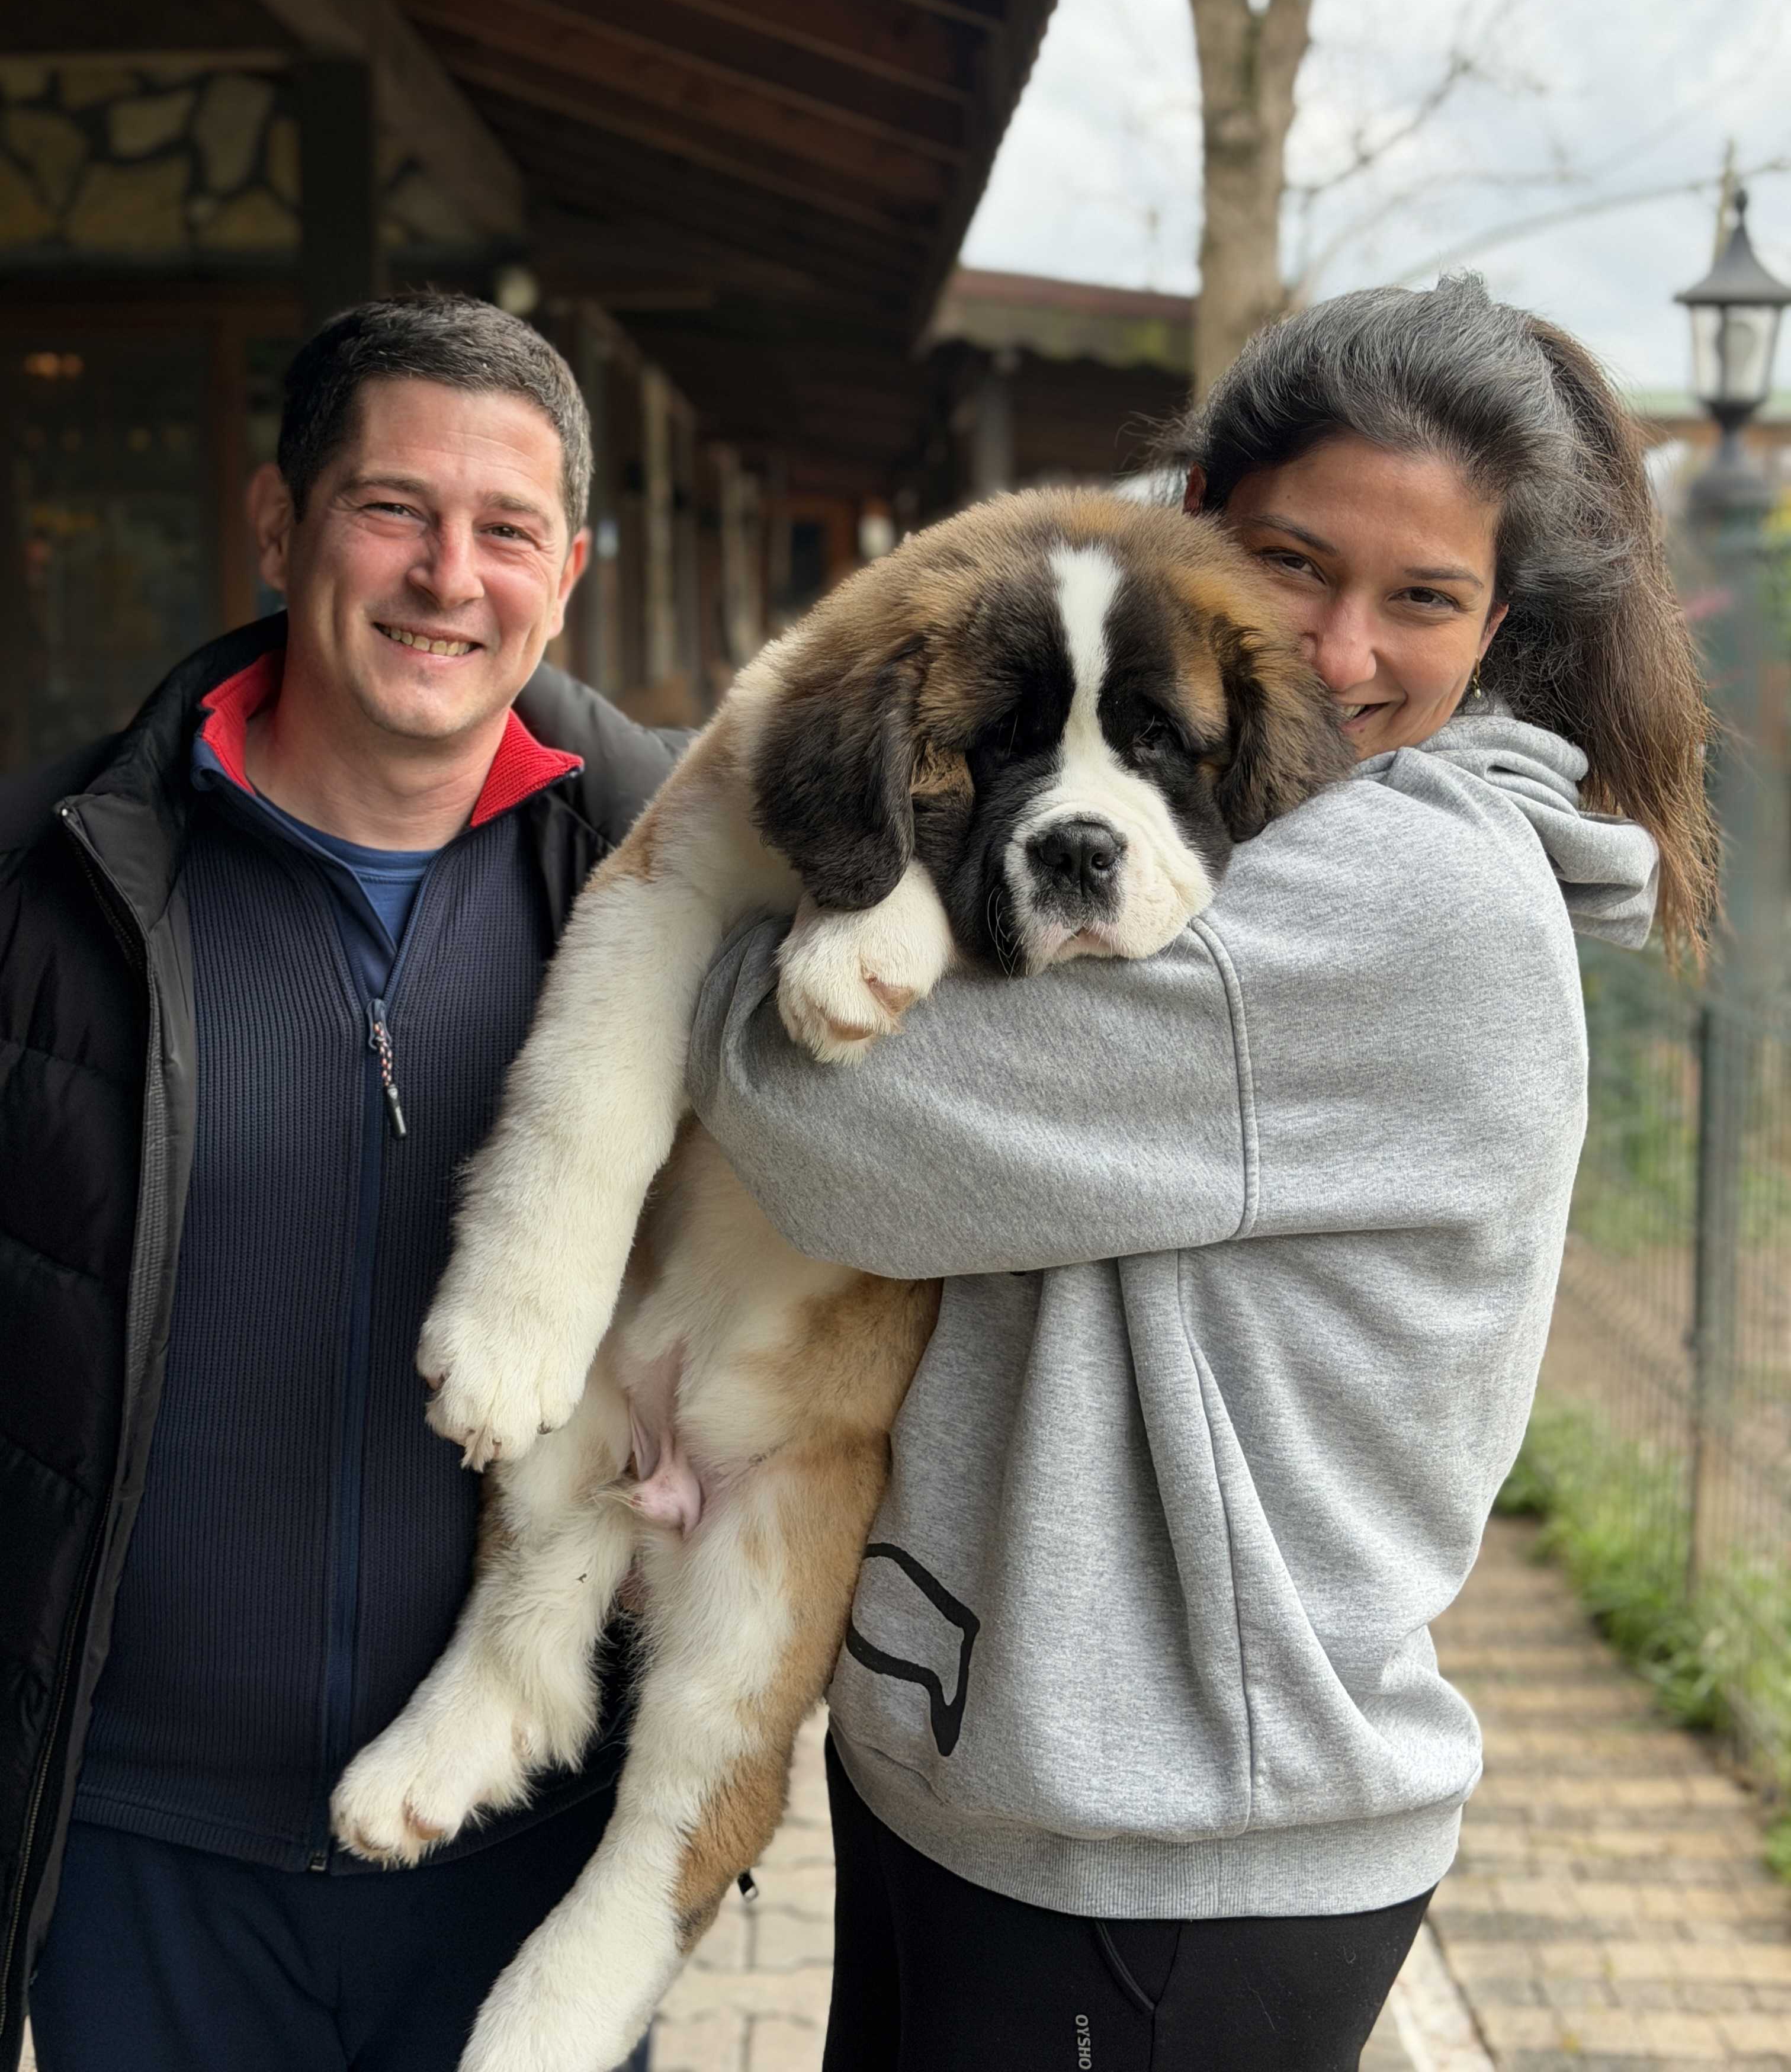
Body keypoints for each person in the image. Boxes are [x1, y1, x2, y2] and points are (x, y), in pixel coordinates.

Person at [686, 277, 1718, 2071]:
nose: (1334, 654)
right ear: (1180, 537)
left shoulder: (1385, 903)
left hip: (1165, 1863)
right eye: (1290, 563)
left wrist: (691, 952)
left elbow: (826, 1128)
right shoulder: (1246, 842)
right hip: (1010, 1778)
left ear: (1499, 628)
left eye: (1425, 601)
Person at [0, 297, 678, 2072]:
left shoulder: (670, 899)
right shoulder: (43, 891)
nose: (450, 575)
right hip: (145, 1865)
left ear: (570, 571)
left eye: (507, 530)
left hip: (521, 1857)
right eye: (394, 509)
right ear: (280, 524)